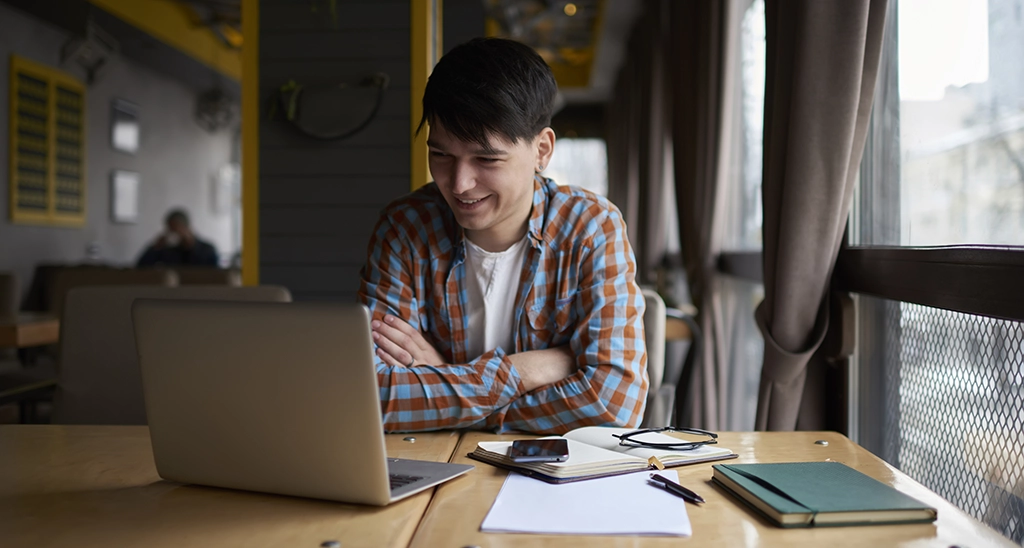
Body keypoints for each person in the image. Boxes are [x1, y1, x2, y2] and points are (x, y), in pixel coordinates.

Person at [358, 38, 647, 434]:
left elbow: (614, 404)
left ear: (541, 150)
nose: (459, 184)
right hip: (438, 468)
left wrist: (446, 382)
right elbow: (371, 395)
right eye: (441, 155)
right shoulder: (406, 227)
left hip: (554, 476)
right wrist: (522, 371)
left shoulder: (591, 227)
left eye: (486, 159)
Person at [137, 209, 219, 267]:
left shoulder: (207, 249)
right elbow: (141, 267)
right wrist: (155, 247)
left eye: (176, 230)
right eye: (170, 230)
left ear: (186, 228)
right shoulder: (167, 250)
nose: (173, 234)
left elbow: (213, 272)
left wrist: (190, 247)